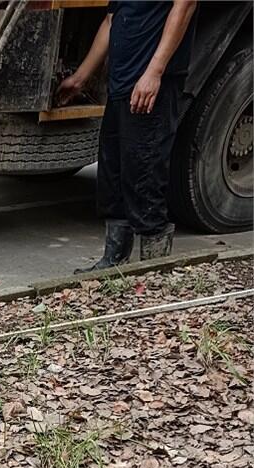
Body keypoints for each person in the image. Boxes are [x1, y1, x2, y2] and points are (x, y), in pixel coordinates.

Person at [57, 0, 197, 270]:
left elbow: (185, 5)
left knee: (144, 176)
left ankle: (154, 270)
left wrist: (154, 73)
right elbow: (111, 21)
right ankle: (114, 262)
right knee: (113, 176)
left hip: (152, 84)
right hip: (122, 83)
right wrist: (80, 78)